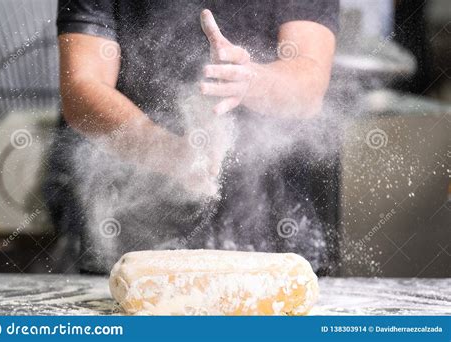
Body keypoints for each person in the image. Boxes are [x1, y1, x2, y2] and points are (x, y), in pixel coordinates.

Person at [44, 0, 339, 274]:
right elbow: (82, 87)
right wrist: (171, 154)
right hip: (128, 225)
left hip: (275, 227)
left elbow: (309, 84)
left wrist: (249, 80)